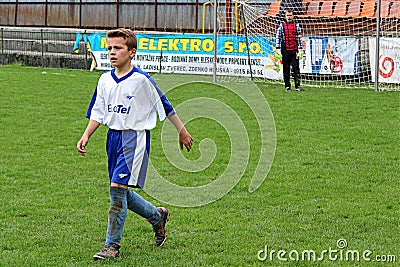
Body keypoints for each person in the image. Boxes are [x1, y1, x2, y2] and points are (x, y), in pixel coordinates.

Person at [76, 28, 193, 260]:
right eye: (109, 48)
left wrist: (182, 130)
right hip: (113, 138)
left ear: (132, 52)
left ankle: (112, 245)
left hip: (134, 138)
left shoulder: (141, 80)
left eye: (118, 48)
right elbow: (98, 112)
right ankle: (156, 216)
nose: (112, 52)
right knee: (118, 191)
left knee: (118, 189)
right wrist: (87, 134)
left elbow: (165, 105)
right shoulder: (104, 80)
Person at [275, 9, 304, 92]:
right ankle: (287, 86)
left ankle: (297, 86)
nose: (289, 17)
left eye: (290, 15)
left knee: (296, 68)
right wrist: (277, 48)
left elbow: (299, 38)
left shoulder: (297, 26)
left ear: (293, 16)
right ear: (285, 16)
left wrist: (300, 48)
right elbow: (278, 37)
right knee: (286, 68)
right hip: (285, 49)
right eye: (288, 15)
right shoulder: (282, 25)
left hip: (294, 49)